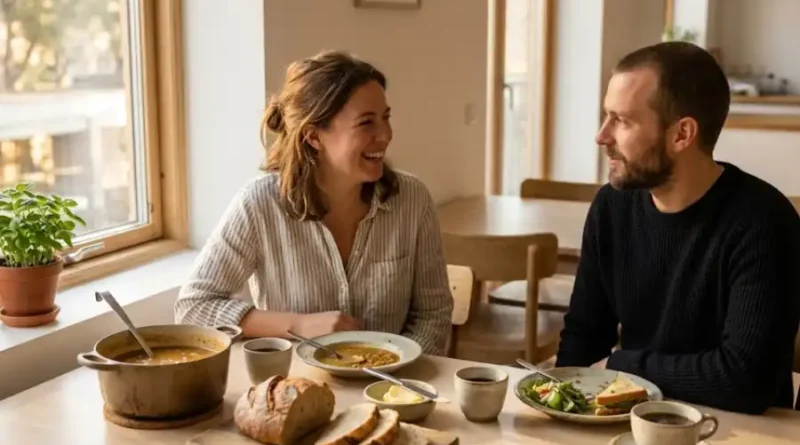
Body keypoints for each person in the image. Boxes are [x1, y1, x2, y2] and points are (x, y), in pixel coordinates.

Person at [555, 41, 800, 414]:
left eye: (621, 120)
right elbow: (583, 339)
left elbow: (747, 379)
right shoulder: (611, 207)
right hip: (633, 421)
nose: (602, 136)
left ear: (682, 134)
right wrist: (564, 412)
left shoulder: (764, 222)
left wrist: (625, 365)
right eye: (606, 116)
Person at [174, 51, 454, 355]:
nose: (384, 135)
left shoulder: (413, 200)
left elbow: (432, 315)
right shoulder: (258, 205)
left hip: (392, 392)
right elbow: (193, 307)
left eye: (385, 118)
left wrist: (395, 365)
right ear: (313, 137)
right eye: (366, 123)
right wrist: (298, 324)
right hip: (294, 390)